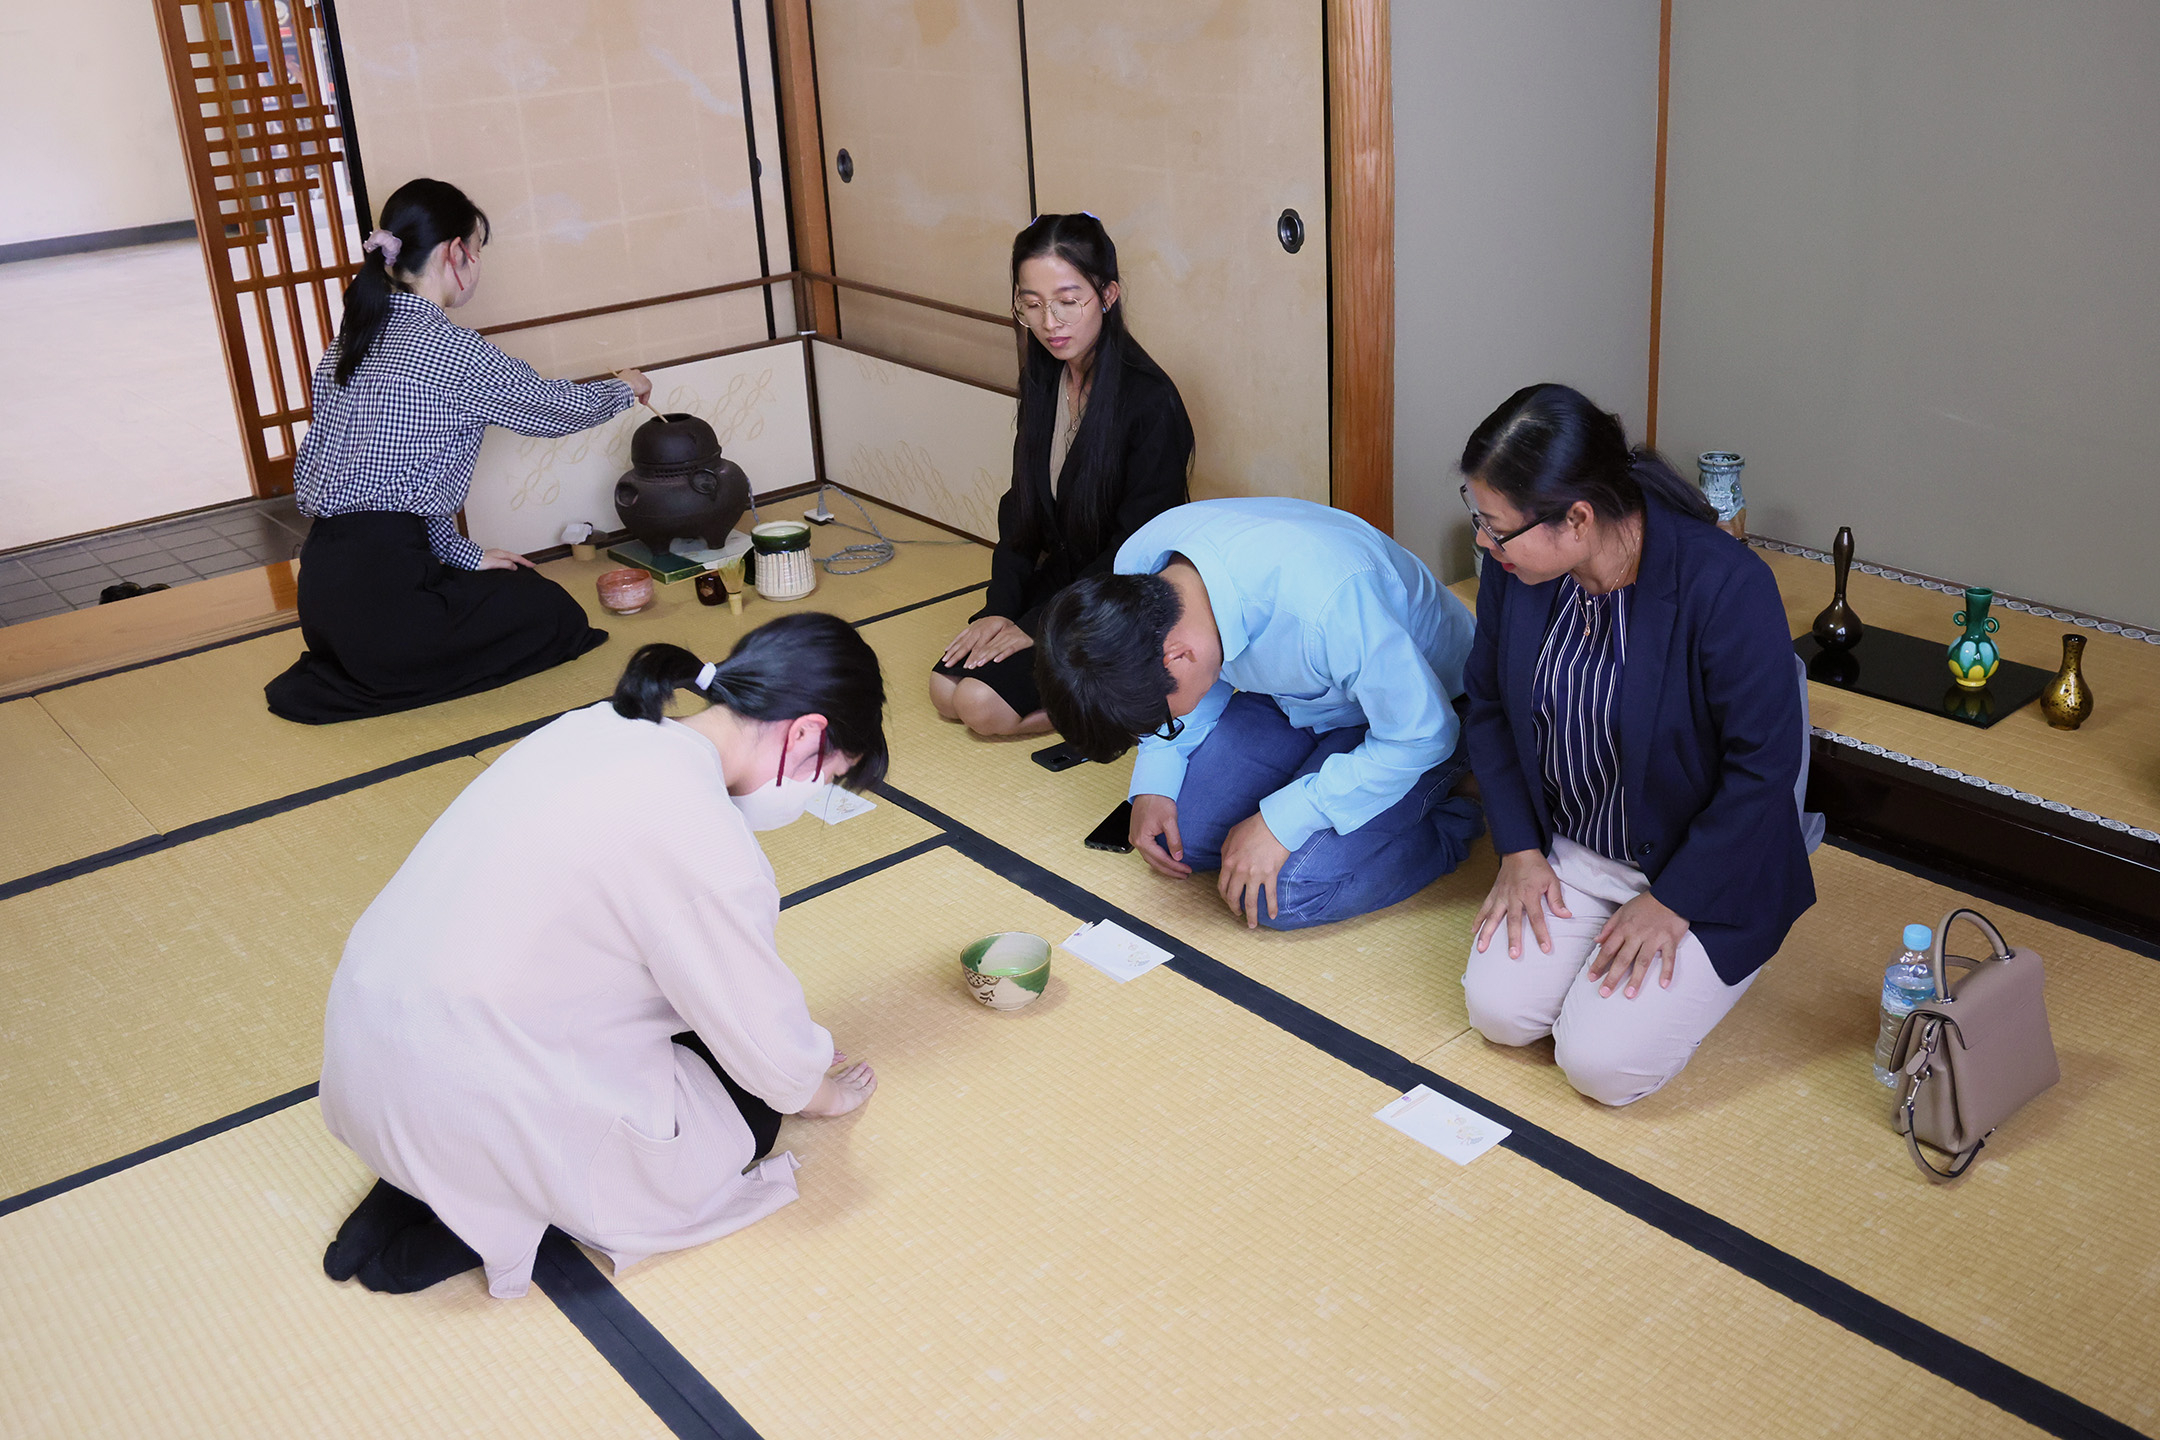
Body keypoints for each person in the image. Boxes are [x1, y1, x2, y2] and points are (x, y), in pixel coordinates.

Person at [318, 614, 885, 1298]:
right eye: (826, 775)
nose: (810, 793)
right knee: (750, 1107)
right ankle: (489, 1210)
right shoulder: (706, 843)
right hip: (476, 1090)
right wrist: (821, 1095)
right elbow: (769, 1052)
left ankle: (425, 1179)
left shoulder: (597, 725)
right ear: (806, 734)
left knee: (669, 1029)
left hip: (370, 1059)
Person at [1457, 384, 1818, 1106]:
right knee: (1498, 1014)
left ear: (1578, 518)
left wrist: (1674, 901)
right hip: (1578, 847)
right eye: (1478, 520)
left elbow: (1765, 768)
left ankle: (1720, 961)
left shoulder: (1725, 585)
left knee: (1599, 1065)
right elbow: (1491, 709)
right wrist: (1521, 851)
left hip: (1701, 868)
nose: (1483, 544)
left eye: (1497, 528)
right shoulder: (1520, 573)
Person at [265, 177, 653, 723]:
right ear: (456, 253)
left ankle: (376, 654)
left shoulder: (348, 342)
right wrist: (626, 389)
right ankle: (392, 659)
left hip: (326, 596)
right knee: (552, 614)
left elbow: (396, 494)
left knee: (511, 586)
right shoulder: (448, 348)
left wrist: (469, 555)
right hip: (384, 600)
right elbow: (551, 410)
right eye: (478, 249)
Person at [1036, 498, 1482, 931]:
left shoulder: (1326, 604)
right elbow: (1190, 675)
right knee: (1180, 843)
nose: (1160, 729)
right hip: (1284, 691)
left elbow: (1419, 734)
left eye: (1161, 721)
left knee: (1282, 895)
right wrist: (1155, 778)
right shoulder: (1140, 567)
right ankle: (1328, 778)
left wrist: (1283, 818)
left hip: (1421, 712)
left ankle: (1454, 806)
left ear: (1178, 656)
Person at [930, 213, 1193, 738]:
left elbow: (1137, 549)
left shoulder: (1150, 400)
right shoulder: (1045, 375)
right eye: (1031, 304)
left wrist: (1036, 625)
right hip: (1066, 579)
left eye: (1068, 301)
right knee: (944, 692)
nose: (1050, 322)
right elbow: (1021, 508)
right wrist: (999, 610)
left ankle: (1119, 705)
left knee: (981, 706)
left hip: (1120, 594)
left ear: (1109, 294)